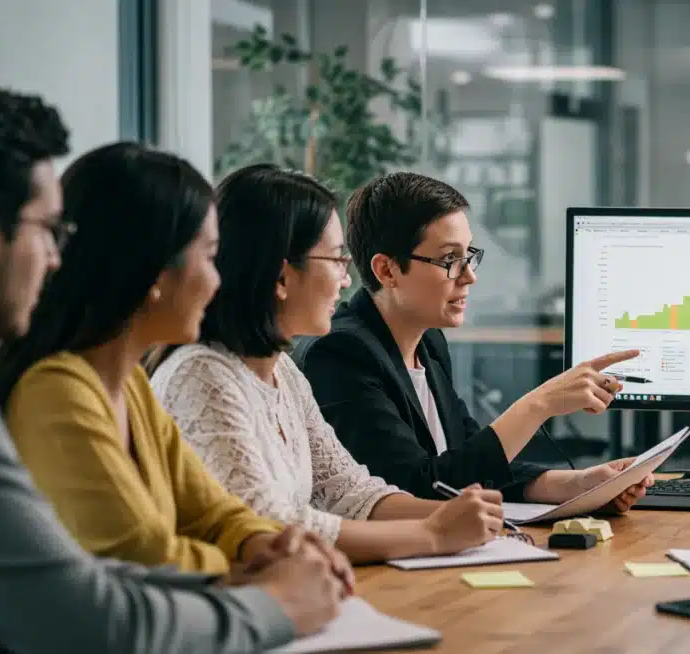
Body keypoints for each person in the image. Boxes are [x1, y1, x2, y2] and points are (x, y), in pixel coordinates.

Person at [0, 72, 341, 654]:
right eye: (49, 232)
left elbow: (99, 578)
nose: (58, 259)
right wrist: (277, 600)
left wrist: (254, 558)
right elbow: (93, 620)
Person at [0, 142, 355, 587]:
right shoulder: (58, 392)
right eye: (210, 258)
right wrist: (257, 567)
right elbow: (145, 556)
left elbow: (215, 512)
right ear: (156, 273)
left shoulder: (129, 382)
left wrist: (266, 544)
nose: (219, 280)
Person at [148, 164, 505, 563]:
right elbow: (267, 525)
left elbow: (348, 490)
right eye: (337, 260)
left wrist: (459, 516)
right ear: (282, 277)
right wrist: (433, 534)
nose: (347, 279)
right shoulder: (202, 375)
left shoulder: (282, 372)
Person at [296, 171, 652, 507]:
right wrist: (538, 404)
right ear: (386, 270)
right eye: (450, 259)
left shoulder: (428, 343)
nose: (468, 276)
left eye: (468, 256)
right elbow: (418, 490)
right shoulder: (339, 355)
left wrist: (581, 485)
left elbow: (469, 463)